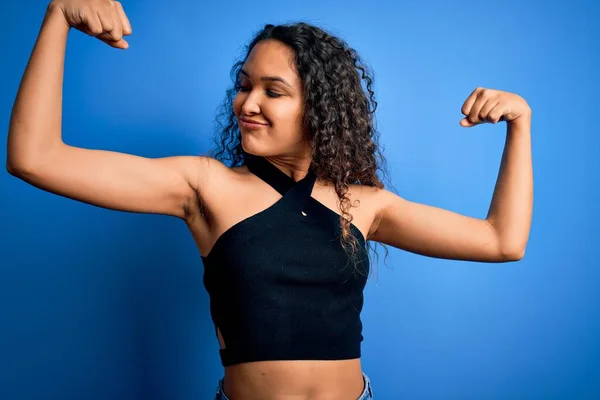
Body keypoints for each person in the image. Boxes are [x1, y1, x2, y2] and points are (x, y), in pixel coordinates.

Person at [6, 0, 533, 399]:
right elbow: (36, 157)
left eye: (272, 91)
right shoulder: (203, 186)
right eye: (243, 85)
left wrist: (519, 124)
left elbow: (501, 241)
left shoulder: (364, 204)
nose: (247, 103)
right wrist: (57, 17)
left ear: (319, 108)